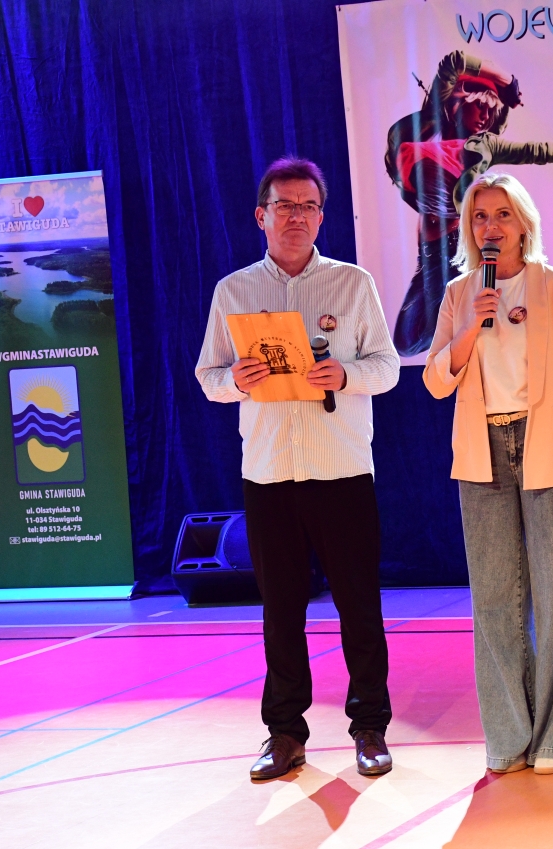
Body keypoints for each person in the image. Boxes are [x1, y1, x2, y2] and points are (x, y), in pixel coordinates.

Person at [195, 157, 401, 781]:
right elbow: (207, 377)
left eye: (308, 206)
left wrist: (345, 373)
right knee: (281, 611)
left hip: (341, 469)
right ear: (261, 216)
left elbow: (388, 367)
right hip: (269, 473)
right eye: (284, 206)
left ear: (321, 216)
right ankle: (284, 733)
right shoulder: (233, 292)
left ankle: (369, 727)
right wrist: (237, 380)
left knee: (358, 606)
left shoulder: (352, 284)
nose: (296, 217)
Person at [422, 172, 553, 775]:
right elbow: (435, 381)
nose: (491, 226)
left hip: (546, 446)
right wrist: (469, 328)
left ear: (524, 224)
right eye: (480, 217)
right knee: (495, 600)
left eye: (502, 215)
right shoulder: (460, 294)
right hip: (483, 451)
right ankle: (509, 736)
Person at [385, 50, 553, 355]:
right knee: (407, 343)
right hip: (430, 257)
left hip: (458, 247)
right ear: (458, 102)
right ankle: (497, 295)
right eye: (479, 106)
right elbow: (452, 63)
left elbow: (544, 151)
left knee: (527, 282)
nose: (485, 116)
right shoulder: (431, 121)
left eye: (490, 111)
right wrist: (507, 83)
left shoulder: (485, 147)